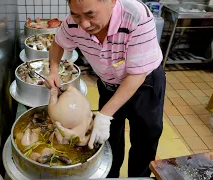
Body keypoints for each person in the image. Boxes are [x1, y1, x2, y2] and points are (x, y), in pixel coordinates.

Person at [44, 0, 166, 178]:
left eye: (90, 14)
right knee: (108, 139)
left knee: (144, 139)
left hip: (143, 84)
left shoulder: (137, 16)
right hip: (108, 82)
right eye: (77, 15)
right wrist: (53, 70)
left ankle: (139, 177)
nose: (84, 24)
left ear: (111, 1)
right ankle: (110, 175)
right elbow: (58, 43)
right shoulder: (72, 22)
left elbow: (137, 75)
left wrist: (105, 114)